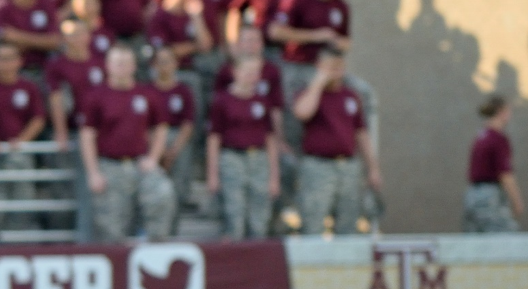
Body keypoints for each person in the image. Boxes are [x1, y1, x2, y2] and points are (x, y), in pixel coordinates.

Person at [79, 41, 174, 241]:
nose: (121, 67)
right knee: (110, 224)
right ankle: (116, 260)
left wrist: (153, 158)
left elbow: (161, 127)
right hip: (110, 165)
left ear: (133, 66)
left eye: (126, 63)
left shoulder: (146, 94)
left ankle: (157, 246)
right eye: (117, 63)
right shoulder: (96, 96)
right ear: (108, 66)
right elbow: (87, 135)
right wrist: (93, 172)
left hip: (139, 163)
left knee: (163, 193)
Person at [291, 46, 379, 236]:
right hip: (318, 166)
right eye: (330, 67)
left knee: (349, 221)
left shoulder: (350, 96)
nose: (335, 72)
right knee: (313, 221)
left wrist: (373, 168)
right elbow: (302, 112)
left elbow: (361, 134)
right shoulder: (309, 92)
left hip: (348, 166)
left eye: (339, 67)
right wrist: (318, 83)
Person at [0, 39, 44, 233]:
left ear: (19, 61)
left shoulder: (28, 86)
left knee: (23, 199)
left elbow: (38, 118)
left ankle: (19, 242)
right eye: (1, 58)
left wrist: (21, 141)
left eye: (10, 58)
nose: (6, 63)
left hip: (20, 153)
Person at [205, 53, 276, 238]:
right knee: (234, 211)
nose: (251, 77)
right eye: (247, 72)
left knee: (260, 215)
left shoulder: (262, 100)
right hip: (232, 158)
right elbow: (214, 138)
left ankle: (257, 257)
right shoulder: (222, 100)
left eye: (255, 73)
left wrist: (274, 176)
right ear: (235, 72)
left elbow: (270, 138)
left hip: (258, 159)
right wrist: (212, 174)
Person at [463, 94, 523, 233]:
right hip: (489, 197)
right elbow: (505, 174)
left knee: (476, 243)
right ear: (501, 112)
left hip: (472, 195)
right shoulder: (497, 138)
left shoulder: (481, 136)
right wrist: (517, 201)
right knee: (506, 239)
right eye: (508, 111)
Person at [148, 45, 194, 222]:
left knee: (178, 189)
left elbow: (188, 123)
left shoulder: (183, 91)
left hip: (178, 140)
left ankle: (173, 229)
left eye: (167, 62)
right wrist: (157, 150)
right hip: (151, 141)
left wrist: (174, 149)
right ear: (153, 65)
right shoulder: (147, 91)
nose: (164, 66)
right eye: (159, 62)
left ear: (175, 64)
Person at [45, 16, 103, 147]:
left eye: (80, 33)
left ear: (88, 35)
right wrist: (61, 131)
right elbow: (56, 98)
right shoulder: (56, 66)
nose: (77, 38)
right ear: (63, 38)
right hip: (72, 128)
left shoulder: (100, 63)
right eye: (71, 35)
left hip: (99, 128)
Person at [145, 0, 212, 64]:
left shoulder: (191, 12)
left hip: (190, 68)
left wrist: (197, 18)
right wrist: (195, 46)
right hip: (168, 70)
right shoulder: (159, 15)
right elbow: (165, 51)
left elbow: (206, 46)